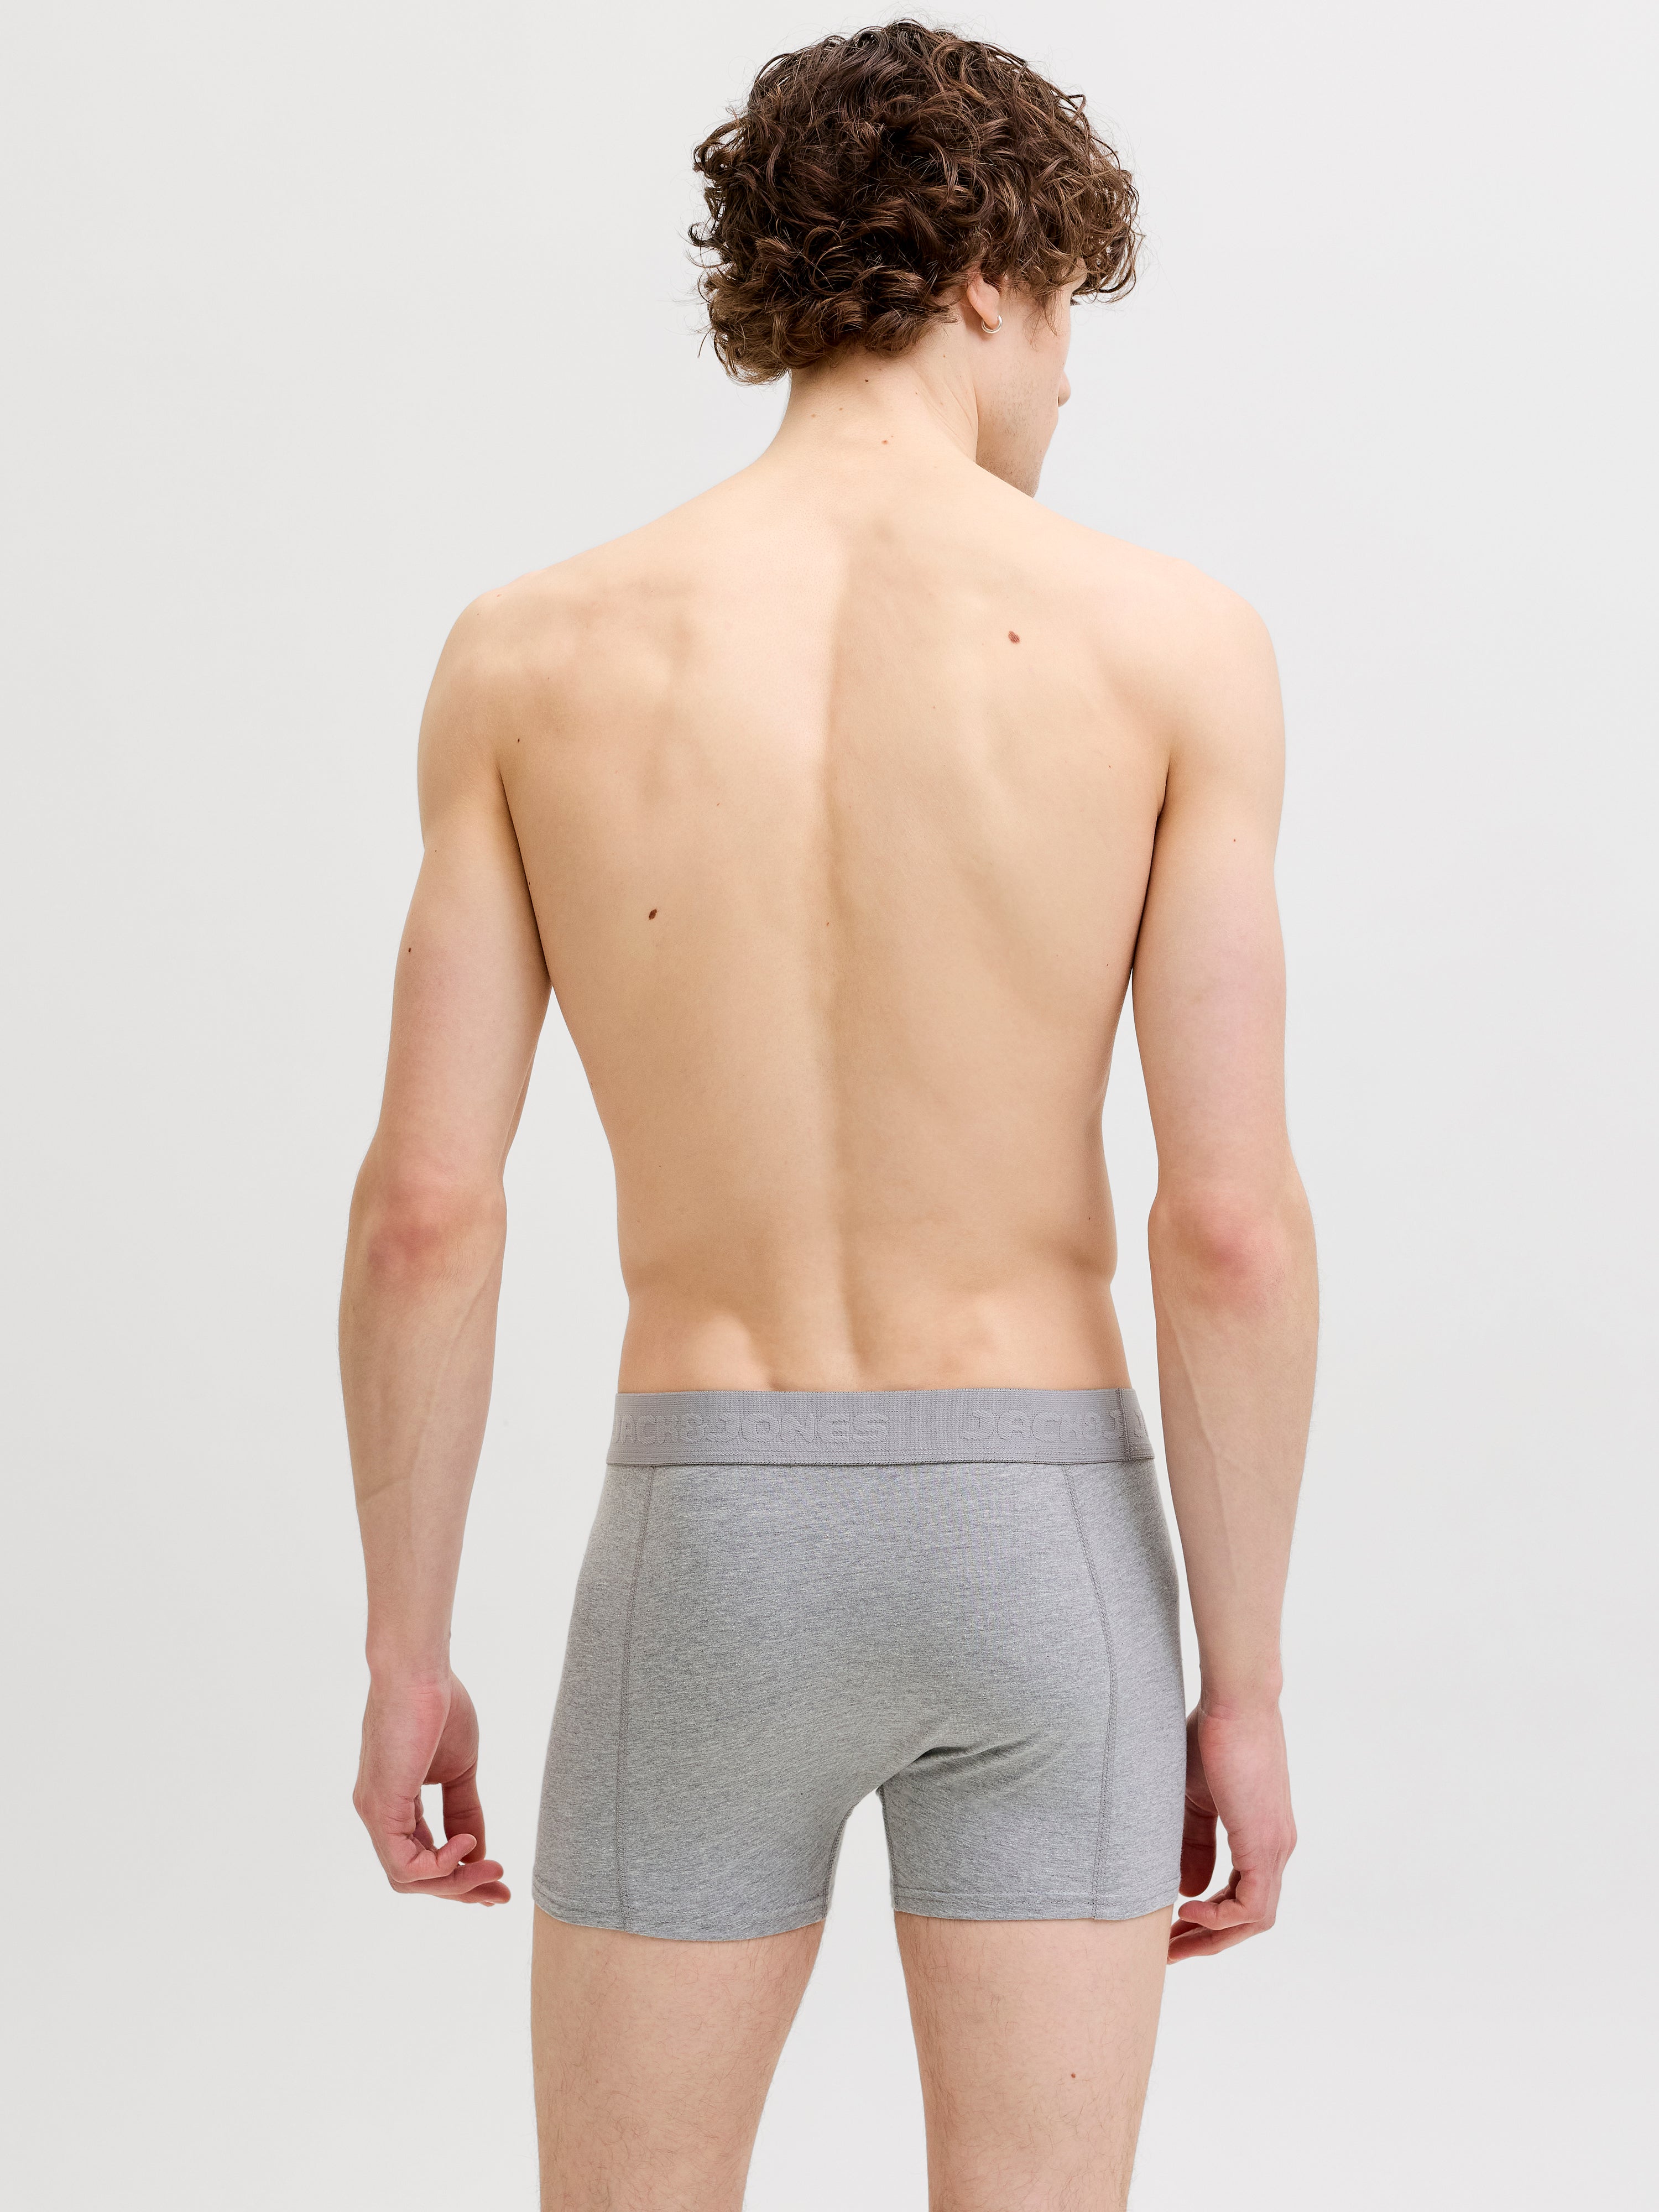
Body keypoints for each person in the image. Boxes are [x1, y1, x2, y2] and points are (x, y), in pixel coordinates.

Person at [341, 20, 1317, 2209]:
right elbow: (1230, 1225)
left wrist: (405, 1649)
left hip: (709, 1550)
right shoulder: (1178, 646)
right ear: (991, 278)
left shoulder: (527, 653)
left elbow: (427, 1209)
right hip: (1041, 1550)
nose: (1064, 387)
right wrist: (1243, 1689)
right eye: (1065, 321)